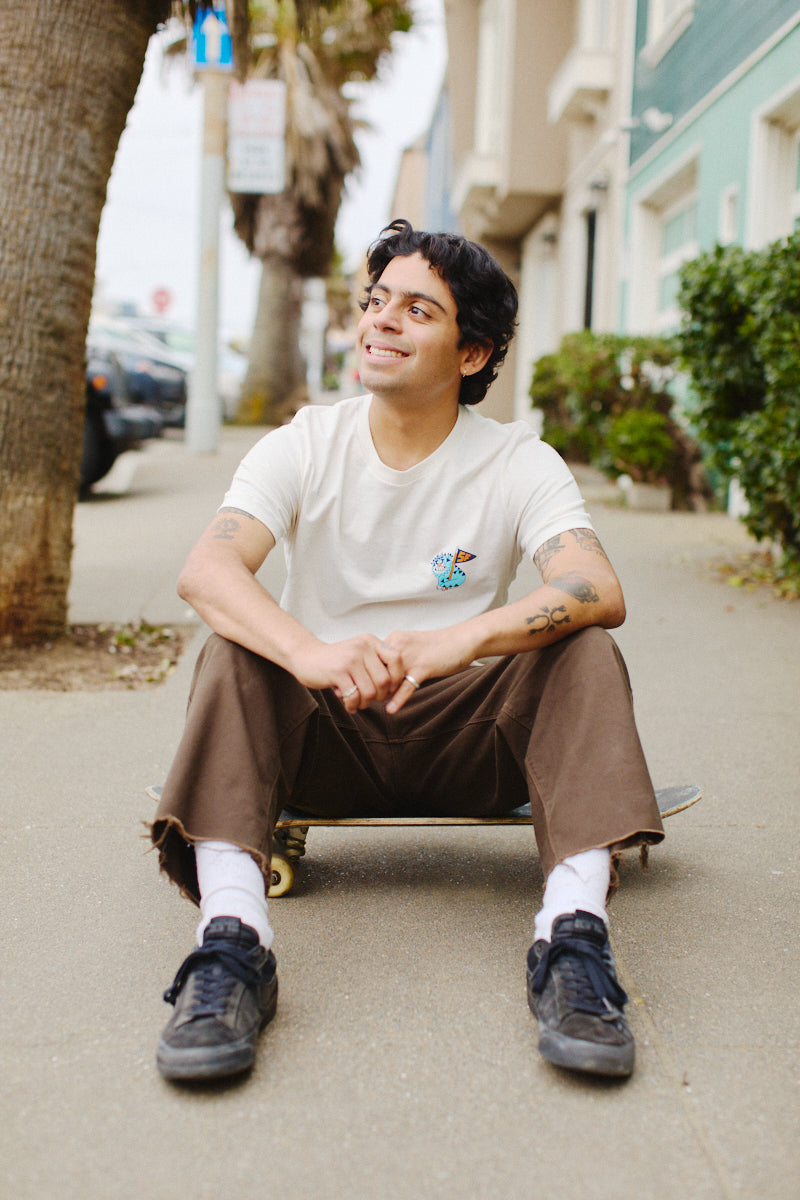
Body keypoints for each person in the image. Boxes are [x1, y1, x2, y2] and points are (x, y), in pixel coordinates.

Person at [151, 219, 664, 1084]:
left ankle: (573, 942)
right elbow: (207, 571)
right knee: (233, 650)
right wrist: (308, 652)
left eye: (417, 310)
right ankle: (232, 944)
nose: (382, 321)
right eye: (376, 301)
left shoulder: (516, 459)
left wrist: (464, 637)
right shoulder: (307, 442)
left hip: (472, 738)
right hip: (322, 738)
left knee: (581, 651)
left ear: (472, 353)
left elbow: (595, 588)